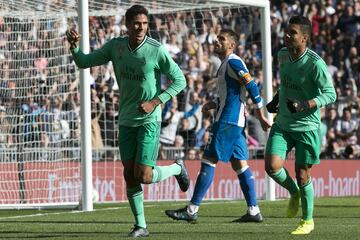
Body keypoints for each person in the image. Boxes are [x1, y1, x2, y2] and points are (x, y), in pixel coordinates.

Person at [66, 5, 190, 238]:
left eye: (144, 23)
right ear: (127, 24)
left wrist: (155, 101)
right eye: (136, 23)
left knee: (144, 175)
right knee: (129, 174)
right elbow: (84, 62)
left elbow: (180, 80)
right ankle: (141, 225)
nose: (141, 27)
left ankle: (176, 168)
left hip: (149, 120)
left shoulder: (156, 50)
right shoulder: (117, 47)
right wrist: (73, 47)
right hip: (126, 120)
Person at [165, 29, 271, 223]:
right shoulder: (225, 64)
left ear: (231, 45)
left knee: (208, 160)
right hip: (234, 121)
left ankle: (191, 210)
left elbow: (252, 86)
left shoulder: (233, 61)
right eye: (217, 38)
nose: (217, 41)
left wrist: (261, 114)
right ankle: (254, 210)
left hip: (227, 121)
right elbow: (233, 93)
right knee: (240, 165)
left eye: (222, 39)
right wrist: (214, 103)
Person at [265, 15, 336, 235]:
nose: (287, 35)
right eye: (286, 31)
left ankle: (307, 221)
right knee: (272, 167)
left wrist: (306, 104)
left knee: (302, 173)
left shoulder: (315, 64)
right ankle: (294, 192)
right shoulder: (283, 55)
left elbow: (331, 94)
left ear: (304, 38)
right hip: (283, 123)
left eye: (292, 33)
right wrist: (277, 99)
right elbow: (287, 83)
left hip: (307, 127)